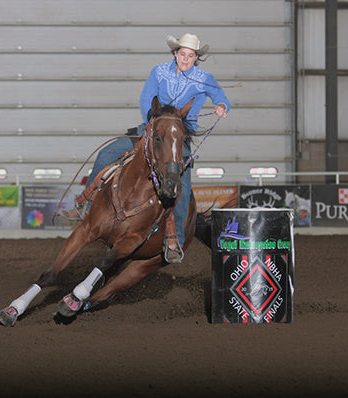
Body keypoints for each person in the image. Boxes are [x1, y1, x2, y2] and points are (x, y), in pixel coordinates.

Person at [58, 33, 230, 263]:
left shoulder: (204, 78)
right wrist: (154, 122)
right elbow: (146, 98)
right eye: (182, 54)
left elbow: (221, 97)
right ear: (175, 53)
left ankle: (175, 240)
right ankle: (85, 205)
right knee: (106, 153)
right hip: (151, 129)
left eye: (191, 55)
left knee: (183, 187)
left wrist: (221, 105)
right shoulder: (159, 72)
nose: (186, 59)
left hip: (179, 138)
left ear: (196, 57)